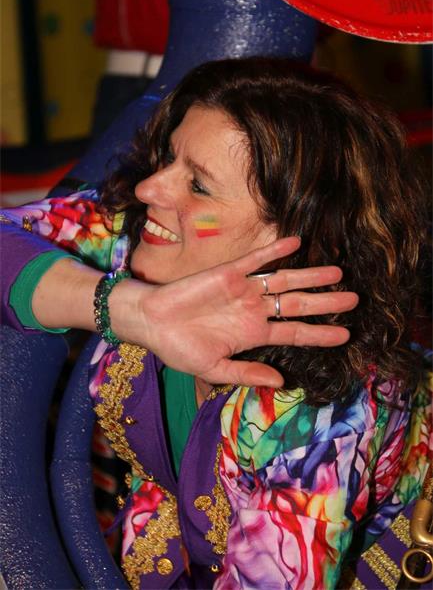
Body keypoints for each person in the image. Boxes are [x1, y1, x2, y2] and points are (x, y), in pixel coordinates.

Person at [1, 57, 430, 589]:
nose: (150, 188)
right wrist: (126, 308)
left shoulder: (318, 411)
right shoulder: (146, 236)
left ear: (291, 238)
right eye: (169, 157)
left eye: (198, 186)